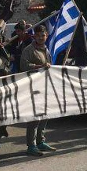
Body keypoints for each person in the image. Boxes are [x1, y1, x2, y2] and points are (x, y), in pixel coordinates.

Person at [20, 24, 56, 156]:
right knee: (34, 117)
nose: (41, 37)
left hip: (46, 86)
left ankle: (41, 141)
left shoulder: (47, 49)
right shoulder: (28, 50)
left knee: (45, 115)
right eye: (39, 35)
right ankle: (31, 145)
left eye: (43, 35)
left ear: (46, 36)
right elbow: (23, 65)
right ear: (34, 36)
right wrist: (39, 66)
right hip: (33, 87)